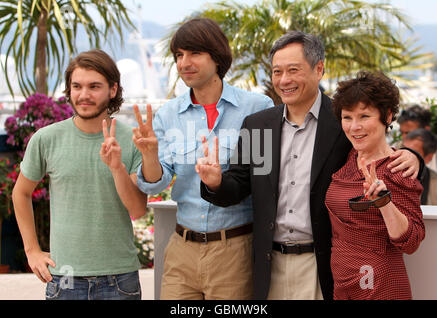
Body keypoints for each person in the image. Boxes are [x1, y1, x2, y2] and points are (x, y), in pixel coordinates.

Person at [197, 31, 422, 300]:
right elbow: (239, 184)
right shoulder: (258, 126)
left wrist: (412, 156)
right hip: (269, 265)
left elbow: (375, 148)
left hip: (323, 265)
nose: (284, 80)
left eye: (293, 70)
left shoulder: (342, 122)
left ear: (319, 69)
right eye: (277, 71)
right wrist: (215, 182)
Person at [133, 18, 274, 300]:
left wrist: (221, 181)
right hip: (181, 249)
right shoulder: (168, 114)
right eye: (179, 55)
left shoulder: (257, 108)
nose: (185, 63)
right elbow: (154, 185)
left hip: (234, 250)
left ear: (217, 56)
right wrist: (149, 154)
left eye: (194, 53)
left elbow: (265, 177)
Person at [12, 49, 148, 300]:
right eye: (77, 86)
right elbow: (21, 192)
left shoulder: (132, 140)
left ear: (113, 89)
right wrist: (32, 251)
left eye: (94, 86)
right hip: (64, 278)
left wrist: (116, 167)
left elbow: (138, 209)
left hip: (120, 279)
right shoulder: (46, 138)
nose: (84, 95)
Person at [326, 70, 425, 299]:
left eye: (364, 116)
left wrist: (383, 202)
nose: (354, 127)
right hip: (342, 281)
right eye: (347, 117)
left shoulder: (398, 168)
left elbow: (411, 241)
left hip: (380, 284)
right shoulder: (349, 156)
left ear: (388, 116)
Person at [403, 128, 437, 205]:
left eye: (413, 153)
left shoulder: (434, 182)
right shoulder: (386, 174)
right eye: (403, 149)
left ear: (429, 157)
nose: (406, 155)